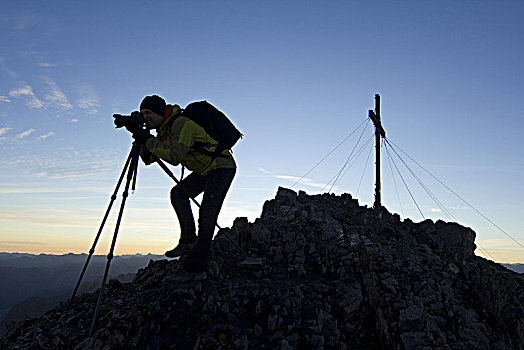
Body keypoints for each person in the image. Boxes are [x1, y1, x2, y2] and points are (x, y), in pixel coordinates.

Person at [135, 95, 236, 273]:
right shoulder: (164, 131)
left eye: (148, 112)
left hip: (221, 167)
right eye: (142, 114)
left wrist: (148, 140)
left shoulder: (181, 124)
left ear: (160, 112)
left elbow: (175, 157)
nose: (145, 117)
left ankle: (198, 258)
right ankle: (188, 242)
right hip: (204, 170)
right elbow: (149, 158)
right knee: (178, 193)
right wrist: (142, 137)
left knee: (207, 211)